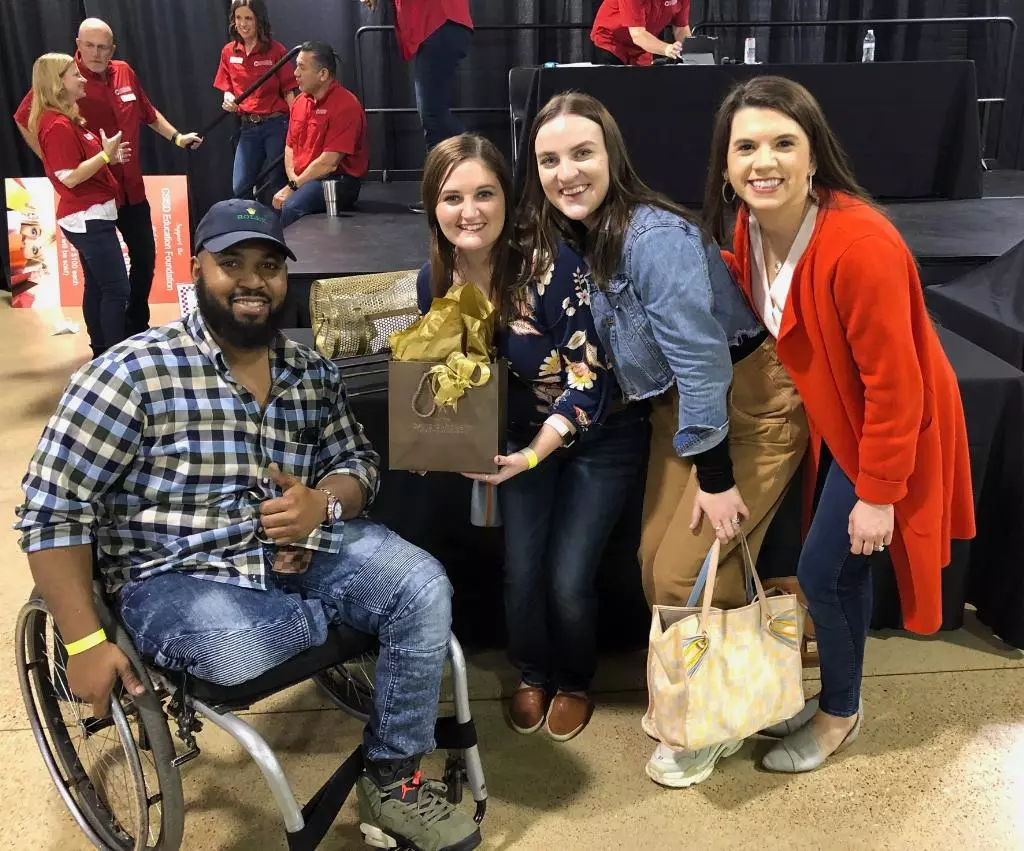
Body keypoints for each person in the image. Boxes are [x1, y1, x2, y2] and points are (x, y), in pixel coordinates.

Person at [15, 199, 482, 851]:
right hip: (171, 574)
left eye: (268, 264)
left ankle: (392, 779)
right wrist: (84, 641)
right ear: (196, 266)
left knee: (423, 583)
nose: (251, 279)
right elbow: (51, 508)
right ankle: (356, 621)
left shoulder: (309, 371)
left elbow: (358, 462)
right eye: (230, 262)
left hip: (294, 548)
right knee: (242, 649)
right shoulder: (129, 374)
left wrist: (325, 501)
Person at [518, 92, 808, 785]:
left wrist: (714, 476)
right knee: (656, 563)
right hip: (676, 409)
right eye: (550, 159)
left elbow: (702, 358)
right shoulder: (581, 237)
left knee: (689, 569)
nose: (567, 172)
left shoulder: (651, 237)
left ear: (612, 156)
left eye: (582, 153)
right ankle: (741, 692)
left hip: (743, 407)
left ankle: (711, 719)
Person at [704, 75, 975, 773]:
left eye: (782, 143)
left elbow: (896, 384)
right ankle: (838, 696)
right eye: (747, 148)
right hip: (841, 418)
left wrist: (880, 490)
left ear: (814, 156)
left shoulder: (861, 247)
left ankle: (840, 712)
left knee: (826, 576)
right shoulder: (748, 225)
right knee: (835, 574)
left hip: (888, 424)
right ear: (728, 167)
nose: (764, 161)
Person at [416, 134, 650, 741]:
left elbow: (589, 379)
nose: (469, 211)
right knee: (522, 572)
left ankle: (573, 680)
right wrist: (436, 437)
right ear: (432, 206)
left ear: (507, 197)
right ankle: (533, 673)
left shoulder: (548, 268)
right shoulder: (435, 280)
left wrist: (529, 455)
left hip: (597, 434)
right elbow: (450, 374)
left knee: (569, 576)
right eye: (453, 197)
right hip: (519, 441)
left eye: (484, 194)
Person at [14, 18, 203, 336]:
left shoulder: (124, 71)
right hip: (92, 195)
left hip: (130, 189)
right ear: (78, 44)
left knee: (144, 260)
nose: (96, 53)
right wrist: (58, 165)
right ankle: (106, 346)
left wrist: (177, 137)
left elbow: (148, 111)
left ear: (112, 48)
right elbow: (24, 118)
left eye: (103, 47)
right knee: (105, 283)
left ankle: (136, 329)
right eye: (89, 45)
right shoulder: (63, 78)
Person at [27, 53, 132, 357]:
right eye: (75, 74)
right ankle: (114, 359)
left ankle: (101, 352)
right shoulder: (56, 124)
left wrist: (108, 156)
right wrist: (104, 157)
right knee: (116, 290)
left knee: (98, 287)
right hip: (88, 217)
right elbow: (69, 177)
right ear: (57, 83)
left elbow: (80, 166)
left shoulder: (65, 119)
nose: (83, 78)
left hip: (90, 215)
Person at [360, 0, 474, 212]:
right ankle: (449, 183)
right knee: (433, 113)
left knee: (432, 113)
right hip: (443, 25)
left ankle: (475, 164)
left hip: (440, 23)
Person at [273, 41, 368, 227]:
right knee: (276, 202)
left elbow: (329, 163)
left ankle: (287, 255)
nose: (295, 73)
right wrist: (293, 179)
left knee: (292, 206)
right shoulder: (299, 102)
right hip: (304, 180)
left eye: (301, 67)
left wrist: (293, 186)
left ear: (323, 74)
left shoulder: (346, 105)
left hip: (337, 181)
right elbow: (290, 146)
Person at [214, 0, 297, 202]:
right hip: (248, 127)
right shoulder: (229, 51)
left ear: (258, 20)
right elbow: (227, 87)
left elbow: (289, 92)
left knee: (277, 183)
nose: (243, 24)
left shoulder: (276, 50)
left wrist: (297, 127)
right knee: (240, 186)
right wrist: (228, 97)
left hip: (276, 125)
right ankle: (249, 230)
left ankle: (281, 231)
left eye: (248, 18)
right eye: (238, 18)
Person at [590, 0, 692, 66]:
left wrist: (691, 52)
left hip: (641, 49)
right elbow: (638, 35)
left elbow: (681, 28)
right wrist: (667, 49)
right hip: (610, 42)